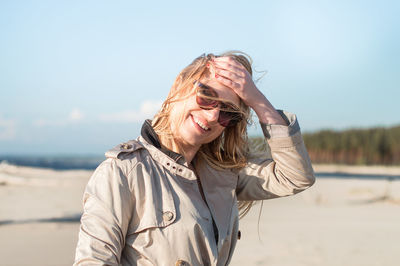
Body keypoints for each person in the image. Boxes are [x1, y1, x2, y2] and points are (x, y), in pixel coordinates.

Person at [74, 51, 315, 266]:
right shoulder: (124, 172)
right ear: (180, 85)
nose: (212, 116)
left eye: (228, 113)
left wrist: (258, 101)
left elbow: (294, 177)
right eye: (207, 96)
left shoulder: (222, 173)